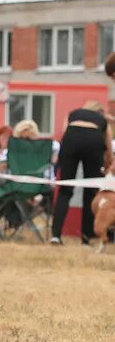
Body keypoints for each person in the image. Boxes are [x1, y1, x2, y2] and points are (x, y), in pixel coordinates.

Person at [51, 101, 113, 245]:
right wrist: (107, 165)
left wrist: (62, 158)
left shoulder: (73, 113)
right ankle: (86, 237)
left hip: (71, 139)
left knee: (65, 189)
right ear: (100, 111)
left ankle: (55, 235)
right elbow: (108, 147)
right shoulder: (103, 120)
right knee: (90, 190)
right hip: (94, 141)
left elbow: (64, 134)